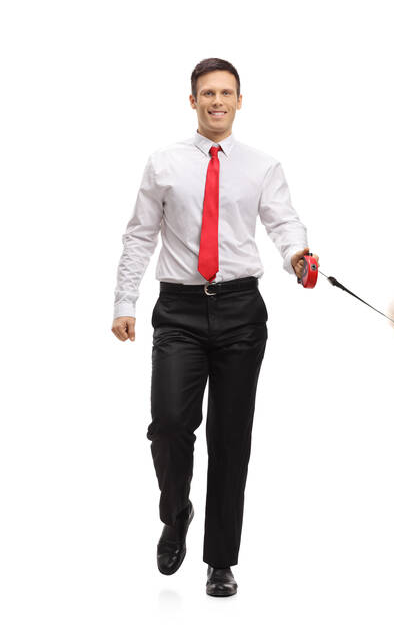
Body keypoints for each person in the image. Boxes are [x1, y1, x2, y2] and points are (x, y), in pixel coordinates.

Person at [111, 57, 317, 598]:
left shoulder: (262, 166)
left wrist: (298, 256)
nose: (217, 101)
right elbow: (138, 235)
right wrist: (123, 302)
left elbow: (283, 220)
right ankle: (175, 512)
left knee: (231, 439)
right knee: (170, 425)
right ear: (193, 101)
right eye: (208, 93)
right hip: (177, 310)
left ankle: (220, 559)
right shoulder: (164, 163)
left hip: (240, 312)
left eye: (227, 93)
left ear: (239, 101)